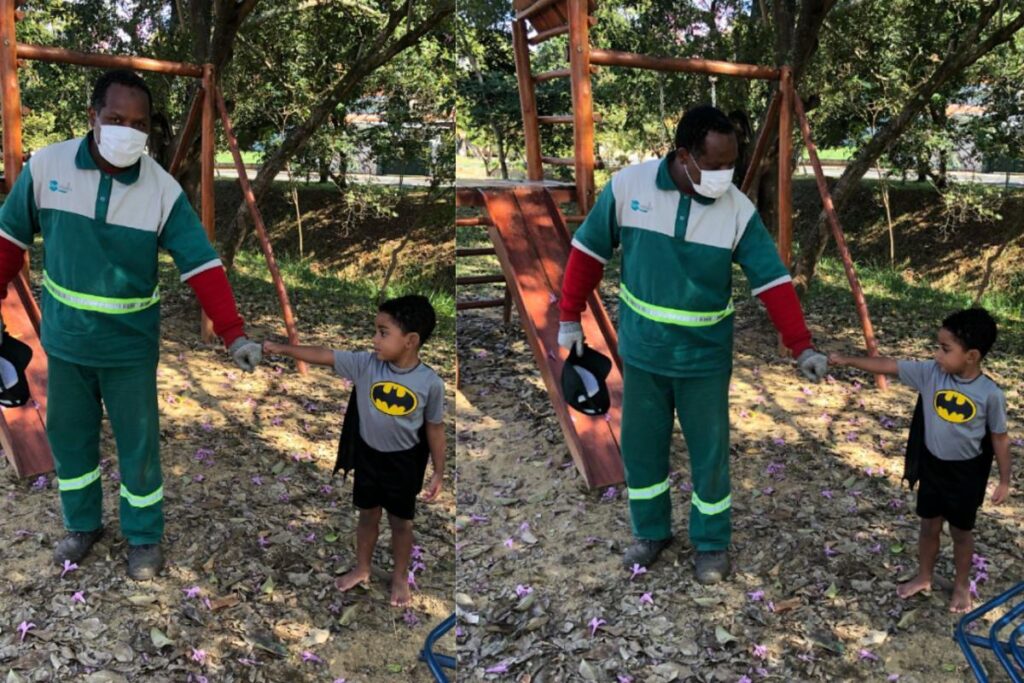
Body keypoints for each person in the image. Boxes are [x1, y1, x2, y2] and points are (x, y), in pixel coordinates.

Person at [0, 69, 262, 580]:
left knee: (138, 449)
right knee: (71, 444)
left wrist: (234, 332)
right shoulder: (47, 166)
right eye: (116, 118)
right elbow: (9, 240)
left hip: (129, 350)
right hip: (68, 343)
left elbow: (201, 263)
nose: (127, 131)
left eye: (138, 124)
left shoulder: (160, 190)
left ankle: (143, 537)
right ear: (92, 117)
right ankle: (83, 525)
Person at [556, 104, 829, 584]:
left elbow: (773, 282)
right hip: (643, 354)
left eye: (733, 164)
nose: (727, 174)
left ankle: (711, 543)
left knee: (710, 454)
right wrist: (568, 318)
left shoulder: (736, 211)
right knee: (642, 449)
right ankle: (651, 532)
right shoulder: (628, 189)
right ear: (684, 155)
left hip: (704, 357)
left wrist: (800, 345)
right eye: (718, 164)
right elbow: (588, 251)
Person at [264, 294, 446, 606]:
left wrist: (439, 471)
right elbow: (324, 354)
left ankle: (401, 577)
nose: (374, 339)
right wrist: (282, 348)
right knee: (367, 516)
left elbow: (434, 427)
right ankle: (363, 568)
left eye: (383, 332)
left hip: (403, 463)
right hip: (368, 457)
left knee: (401, 523)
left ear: (411, 340)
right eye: (375, 330)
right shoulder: (366, 365)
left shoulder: (430, 383)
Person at [829, 308, 1010, 613]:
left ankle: (962, 585)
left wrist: (1005, 479)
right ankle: (924, 576)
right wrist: (848, 360)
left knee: (961, 533)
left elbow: (999, 438)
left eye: (945, 349)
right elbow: (890, 365)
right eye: (937, 347)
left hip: (966, 475)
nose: (937, 355)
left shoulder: (990, 394)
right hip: (932, 467)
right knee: (929, 526)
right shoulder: (931, 374)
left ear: (972, 355)